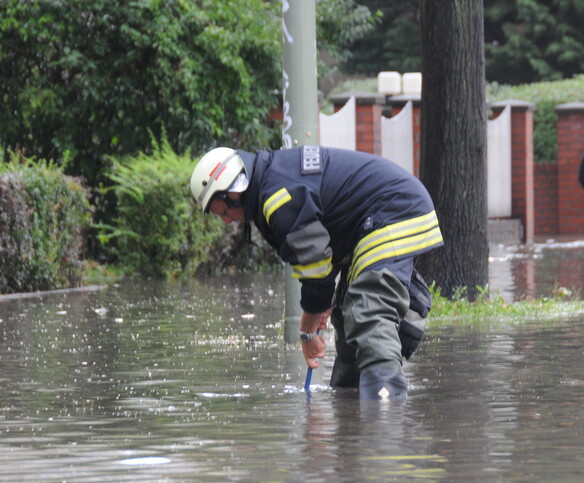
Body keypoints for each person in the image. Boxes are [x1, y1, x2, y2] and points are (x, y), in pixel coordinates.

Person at [189, 145, 443, 400]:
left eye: (223, 211)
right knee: (346, 314)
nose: (227, 220)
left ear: (234, 191)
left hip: (395, 211)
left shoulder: (278, 196)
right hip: (375, 219)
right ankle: (350, 399)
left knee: (369, 310)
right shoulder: (274, 179)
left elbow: (316, 269)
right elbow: (322, 254)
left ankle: (384, 412)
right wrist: (321, 306)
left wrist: (308, 330)